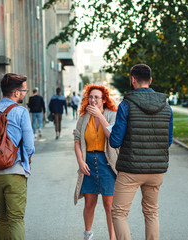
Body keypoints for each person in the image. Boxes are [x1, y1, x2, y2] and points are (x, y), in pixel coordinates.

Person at [109, 64, 173, 240]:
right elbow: (168, 141)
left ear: (132, 80)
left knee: (119, 213)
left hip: (130, 169)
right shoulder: (166, 107)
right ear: (150, 80)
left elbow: (115, 140)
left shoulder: (126, 105)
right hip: (156, 171)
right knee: (151, 212)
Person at [0, 73, 35, 240]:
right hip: (14, 170)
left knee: (2, 217)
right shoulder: (21, 112)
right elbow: (29, 145)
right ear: (16, 93)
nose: (25, 93)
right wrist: (27, 161)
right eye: (24, 90)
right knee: (16, 219)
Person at [73, 84, 118, 240]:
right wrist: (80, 161)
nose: (92, 100)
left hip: (107, 163)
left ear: (104, 100)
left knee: (109, 205)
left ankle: (112, 237)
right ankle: (88, 234)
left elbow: (113, 137)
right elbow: (77, 140)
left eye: (96, 97)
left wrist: (100, 116)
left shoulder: (112, 115)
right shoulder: (83, 118)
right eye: (90, 97)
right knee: (89, 203)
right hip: (89, 163)